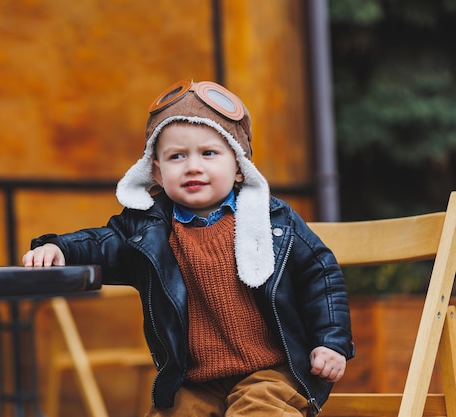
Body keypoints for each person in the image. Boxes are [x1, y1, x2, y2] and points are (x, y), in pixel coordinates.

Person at [23, 79, 354, 417]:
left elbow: (321, 276)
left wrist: (331, 341)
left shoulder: (272, 220)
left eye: (209, 153)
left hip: (274, 369)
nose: (193, 166)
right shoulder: (147, 229)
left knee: (259, 410)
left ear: (239, 166)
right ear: (156, 171)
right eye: (177, 156)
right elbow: (101, 243)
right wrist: (59, 247)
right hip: (196, 380)